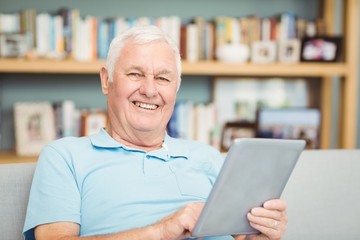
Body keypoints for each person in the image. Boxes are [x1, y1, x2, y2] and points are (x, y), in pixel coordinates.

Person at [23, 25, 288, 240]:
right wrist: (160, 231)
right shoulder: (65, 156)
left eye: (163, 78)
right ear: (107, 80)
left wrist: (261, 235)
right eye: (136, 74)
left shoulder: (208, 157)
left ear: (176, 88)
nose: (150, 90)